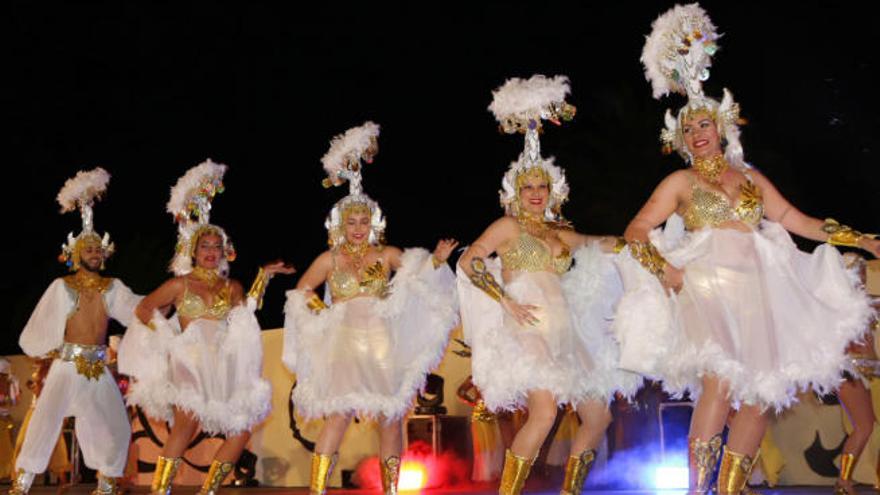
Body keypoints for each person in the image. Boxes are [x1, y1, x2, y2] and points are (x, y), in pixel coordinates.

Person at [614, 5, 879, 494]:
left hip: (759, 288)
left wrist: (860, 239)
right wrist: (664, 269)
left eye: (704, 125)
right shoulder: (680, 182)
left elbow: (795, 220)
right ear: (681, 139)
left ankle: (730, 488)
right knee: (719, 378)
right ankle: (698, 489)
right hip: (705, 285)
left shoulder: (752, 178)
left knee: (759, 391)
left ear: (721, 127)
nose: (698, 134)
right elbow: (636, 230)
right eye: (689, 129)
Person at [456, 75, 642, 495]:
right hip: (527, 327)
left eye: (542, 186)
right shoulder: (506, 226)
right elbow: (469, 262)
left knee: (599, 417)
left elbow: (598, 243)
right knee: (543, 413)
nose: (536, 193)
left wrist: (638, 240)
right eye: (529, 187)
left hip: (565, 332)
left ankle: (569, 490)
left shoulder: (559, 233)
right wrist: (505, 301)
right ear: (515, 192)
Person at [283, 122, 459, 495]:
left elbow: (417, 275)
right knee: (338, 416)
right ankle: (317, 490)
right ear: (340, 225)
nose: (358, 227)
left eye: (364, 221)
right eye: (352, 222)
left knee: (390, 416)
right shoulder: (329, 259)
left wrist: (437, 262)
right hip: (344, 342)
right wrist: (325, 313)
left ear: (373, 223)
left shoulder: (386, 253)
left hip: (381, 341)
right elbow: (301, 291)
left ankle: (391, 490)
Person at [118, 160, 293, 495]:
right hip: (189, 360)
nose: (211, 252)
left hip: (222, 361)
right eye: (205, 246)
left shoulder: (232, 287)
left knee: (241, 429)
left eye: (216, 246)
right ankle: (160, 490)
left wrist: (264, 276)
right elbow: (143, 309)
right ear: (194, 251)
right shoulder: (179, 284)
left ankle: (209, 489)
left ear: (225, 251)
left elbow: (245, 316)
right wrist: (167, 337)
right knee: (186, 424)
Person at [11, 168, 140, 495]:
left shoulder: (113, 287)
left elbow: (137, 310)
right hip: (67, 367)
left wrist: (167, 300)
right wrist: (49, 351)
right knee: (45, 422)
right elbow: (39, 328)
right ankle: (21, 484)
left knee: (117, 425)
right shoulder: (62, 286)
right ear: (75, 255)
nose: (94, 253)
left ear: (104, 254)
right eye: (88, 249)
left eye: (98, 249)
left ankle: (106, 485)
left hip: (98, 368)